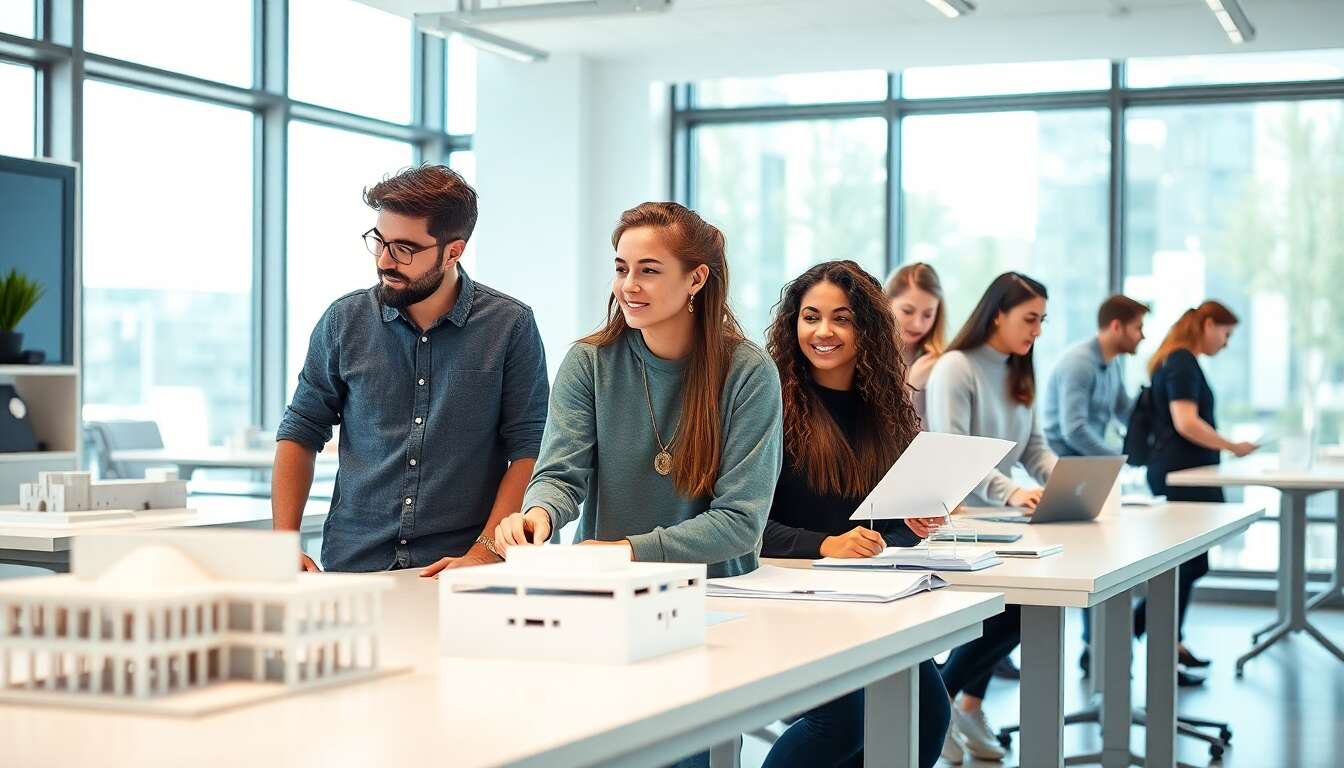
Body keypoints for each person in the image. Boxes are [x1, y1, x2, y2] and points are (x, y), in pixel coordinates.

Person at [273, 164, 549, 575]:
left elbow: (529, 450)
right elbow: (300, 431)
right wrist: (283, 544)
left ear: (453, 251)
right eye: (379, 242)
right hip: (356, 563)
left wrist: (485, 551)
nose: (385, 260)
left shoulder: (509, 327)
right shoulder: (343, 321)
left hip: (462, 567)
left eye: (404, 249)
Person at [760, 260, 949, 768]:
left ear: (866, 328)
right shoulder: (768, 402)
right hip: (786, 593)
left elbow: (874, 529)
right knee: (846, 719)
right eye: (810, 316)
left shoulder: (883, 409)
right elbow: (743, 525)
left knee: (929, 710)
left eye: (842, 318)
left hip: (864, 594)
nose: (823, 331)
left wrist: (911, 524)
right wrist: (823, 544)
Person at [924, 271, 1057, 764]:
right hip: (962, 519)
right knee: (1015, 610)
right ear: (996, 313)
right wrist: (1011, 490)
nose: (1036, 331)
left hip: (1007, 519)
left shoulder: (1018, 370)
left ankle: (959, 704)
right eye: (1029, 319)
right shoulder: (957, 367)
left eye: (1042, 321)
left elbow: (1036, 449)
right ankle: (940, 700)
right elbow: (957, 449)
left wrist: (1063, 483)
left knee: (1025, 608)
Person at [1133, 300, 1256, 667]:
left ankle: (1163, 639)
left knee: (1189, 566)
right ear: (1207, 323)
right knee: (1185, 567)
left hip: (1186, 475)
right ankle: (1152, 637)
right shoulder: (1182, 361)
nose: (1226, 342)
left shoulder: (1177, 360)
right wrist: (1232, 445)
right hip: (1182, 478)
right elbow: (1185, 422)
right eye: (1226, 333)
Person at [1041, 294, 1147, 676]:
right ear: (1116, 326)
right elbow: (1074, 428)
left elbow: (1124, 411)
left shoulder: (1112, 365)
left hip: (1095, 470)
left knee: (1106, 560)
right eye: (1138, 327)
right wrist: (1119, 459)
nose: (1142, 336)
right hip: (1068, 472)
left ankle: (1100, 647)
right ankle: (1094, 647)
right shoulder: (1079, 363)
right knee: (1091, 564)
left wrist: (1148, 429)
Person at [884, 262, 948, 426]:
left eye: (927, 315)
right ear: (886, 304)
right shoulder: (866, 357)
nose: (917, 324)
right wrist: (913, 384)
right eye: (907, 311)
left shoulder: (943, 362)